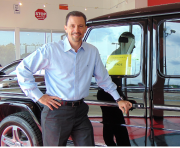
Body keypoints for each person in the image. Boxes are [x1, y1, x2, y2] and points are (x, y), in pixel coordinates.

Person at [16, 11, 132, 146]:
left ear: (85, 28)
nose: (76, 30)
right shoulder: (51, 50)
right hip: (56, 112)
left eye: (80, 26)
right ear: (66, 28)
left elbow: (104, 79)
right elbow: (22, 69)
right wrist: (39, 97)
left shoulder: (92, 51)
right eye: (72, 26)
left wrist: (118, 99)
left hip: (80, 111)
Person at [97, 32, 136, 146]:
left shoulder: (120, 55)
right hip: (108, 94)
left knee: (111, 124)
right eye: (131, 43)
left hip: (110, 93)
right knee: (115, 125)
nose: (134, 46)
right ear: (124, 43)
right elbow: (110, 81)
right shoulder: (118, 56)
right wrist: (120, 98)